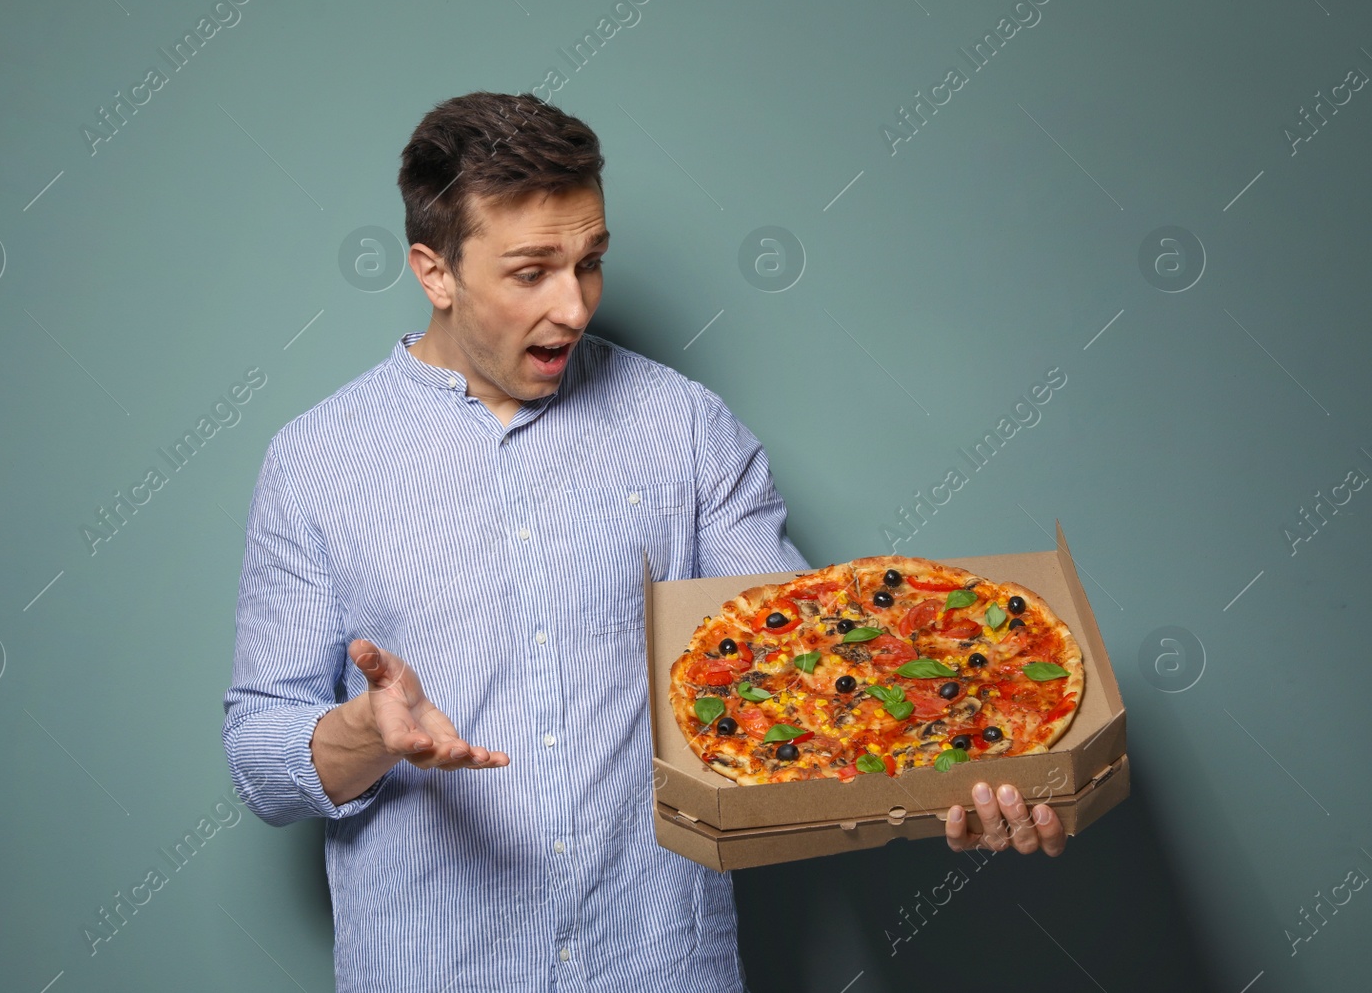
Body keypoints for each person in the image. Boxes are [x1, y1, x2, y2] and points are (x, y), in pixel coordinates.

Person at [221, 90, 1065, 992]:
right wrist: (365, 732)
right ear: (435, 271)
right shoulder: (315, 460)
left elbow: (816, 671)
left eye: (590, 263)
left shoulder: (688, 429)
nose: (575, 306)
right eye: (532, 270)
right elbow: (258, 757)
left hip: (660, 966)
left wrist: (964, 779)